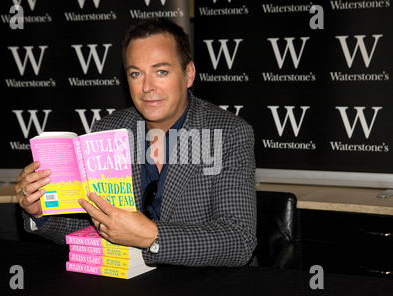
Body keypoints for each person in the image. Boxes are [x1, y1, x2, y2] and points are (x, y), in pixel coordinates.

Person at [15, 17, 257, 267]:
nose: (147, 87)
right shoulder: (108, 130)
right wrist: (40, 213)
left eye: (161, 71)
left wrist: (150, 236)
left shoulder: (229, 133)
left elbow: (238, 241)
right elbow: (91, 227)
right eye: (136, 74)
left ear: (189, 74)